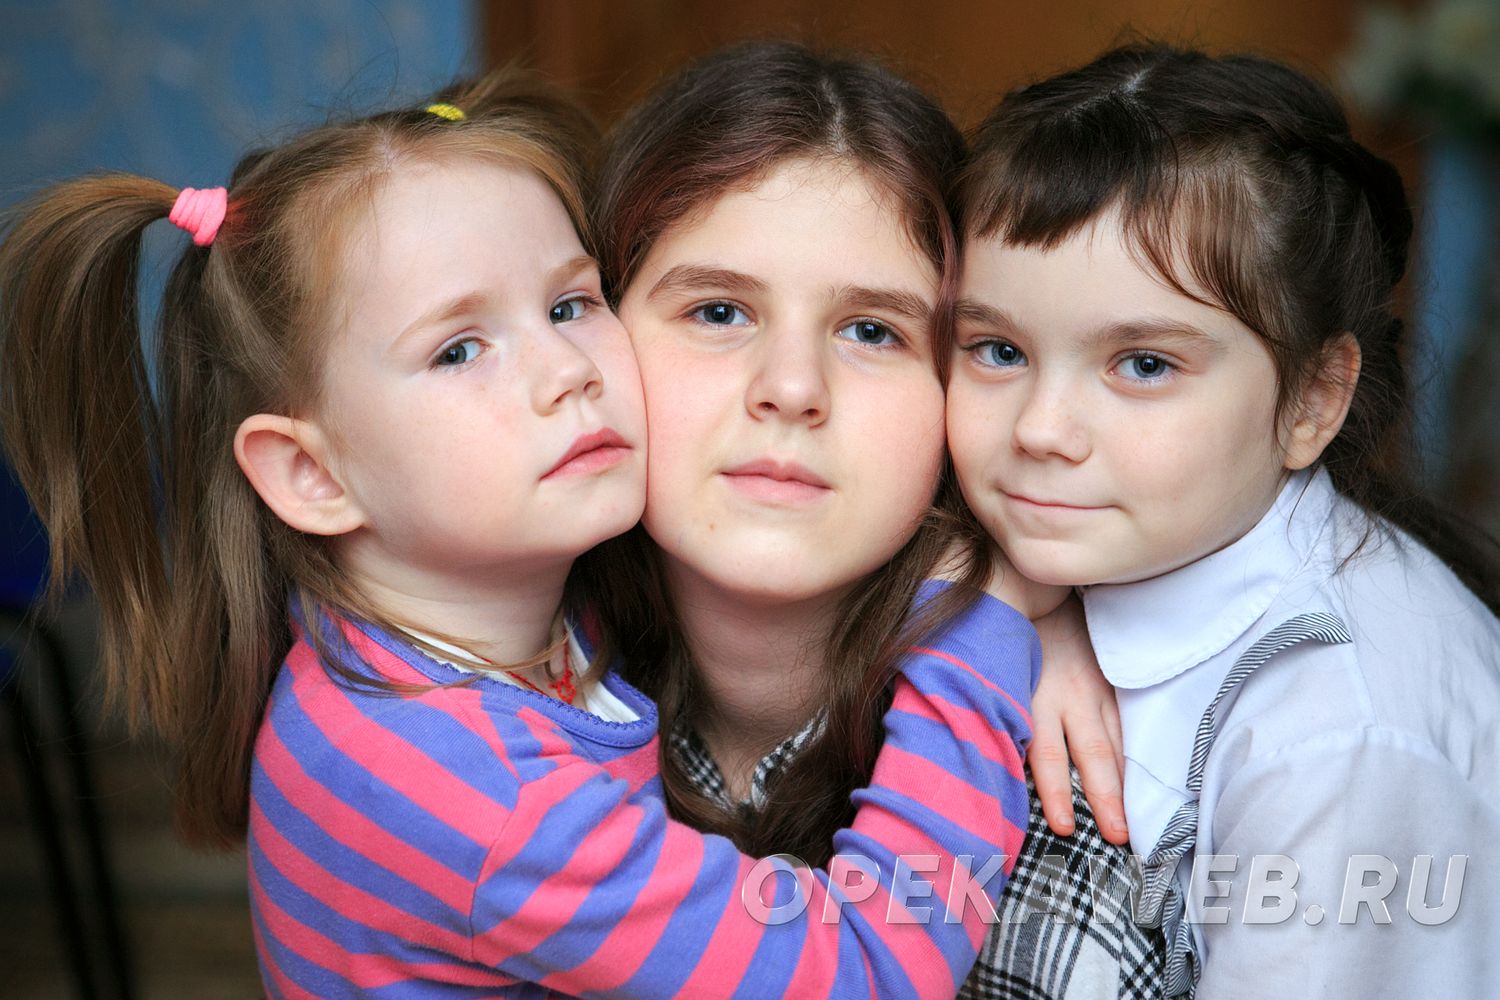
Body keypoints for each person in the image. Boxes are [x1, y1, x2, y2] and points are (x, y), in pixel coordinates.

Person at [0, 70, 1043, 997]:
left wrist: (1084, 618)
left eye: (571, 304)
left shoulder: (450, 600)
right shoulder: (470, 788)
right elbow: (861, 971)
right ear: (312, 475)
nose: (566, 371)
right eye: (460, 349)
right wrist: (988, 624)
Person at [587, 41, 1165, 999]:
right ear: (593, 335)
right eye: (719, 311)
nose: (791, 388)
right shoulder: (499, 710)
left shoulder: (1064, 833)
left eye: (872, 331)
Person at [948, 43, 1500, 998]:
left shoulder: (1334, 739)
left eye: (1144, 365)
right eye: (997, 350)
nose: (1039, 430)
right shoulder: (1118, 540)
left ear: (1312, 401)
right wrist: (1022, 607)